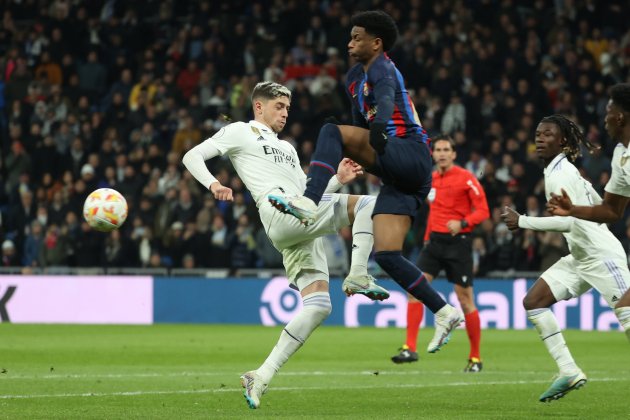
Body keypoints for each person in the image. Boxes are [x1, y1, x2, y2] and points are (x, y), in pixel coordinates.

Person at [182, 81, 390, 410]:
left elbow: (311, 194)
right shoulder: (239, 131)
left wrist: (336, 179)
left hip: (298, 216)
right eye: (279, 106)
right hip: (277, 213)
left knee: (320, 306)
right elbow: (191, 155)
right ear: (259, 107)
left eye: (288, 108)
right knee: (367, 206)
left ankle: (260, 375)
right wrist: (214, 183)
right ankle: (359, 274)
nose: (285, 113)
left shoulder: (288, 148)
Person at [267, 10, 463, 356]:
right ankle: (445, 312)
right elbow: (360, 121)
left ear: (377, 43)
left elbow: (385, 103)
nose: (349, 43)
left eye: (357, 37)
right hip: (398, 173)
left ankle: (310, 201)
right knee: (388, 255)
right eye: (350, 36)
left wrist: (376, 133)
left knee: (330, 129)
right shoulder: (354, 78)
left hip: (410, 153)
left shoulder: (384, 67)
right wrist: (360, 146)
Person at [501, 114, 630, 402]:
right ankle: (569, 371)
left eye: (547, 134)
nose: (539, 138)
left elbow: (568, 222)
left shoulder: (560, 174)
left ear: (562, 141)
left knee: (629, 319)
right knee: (533, 302)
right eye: (538, 133)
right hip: (581, 257)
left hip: (602, 255)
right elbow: (597, 204)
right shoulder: (564, 171)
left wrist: (522, 221)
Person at [390, 135, 489, 372]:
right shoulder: (430, 179)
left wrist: (463, 223)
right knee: (415, 289)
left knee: (465, 300)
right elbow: (434, 214)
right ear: (432, 154)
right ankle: (409, 348)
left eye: (446, 149)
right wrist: (426, 240)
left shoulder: (467, 179)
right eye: (438, 150)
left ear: (454, 154)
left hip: (459, 243)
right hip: (433, 243)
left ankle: (475, 358)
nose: (442, 154)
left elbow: (483, 211)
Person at [547, 83, 630, 315]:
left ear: (620, 117)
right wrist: (572, 209)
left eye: (609, 112)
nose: (605, 119)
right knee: (626, 308)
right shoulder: (620, 156)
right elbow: (611, 211)